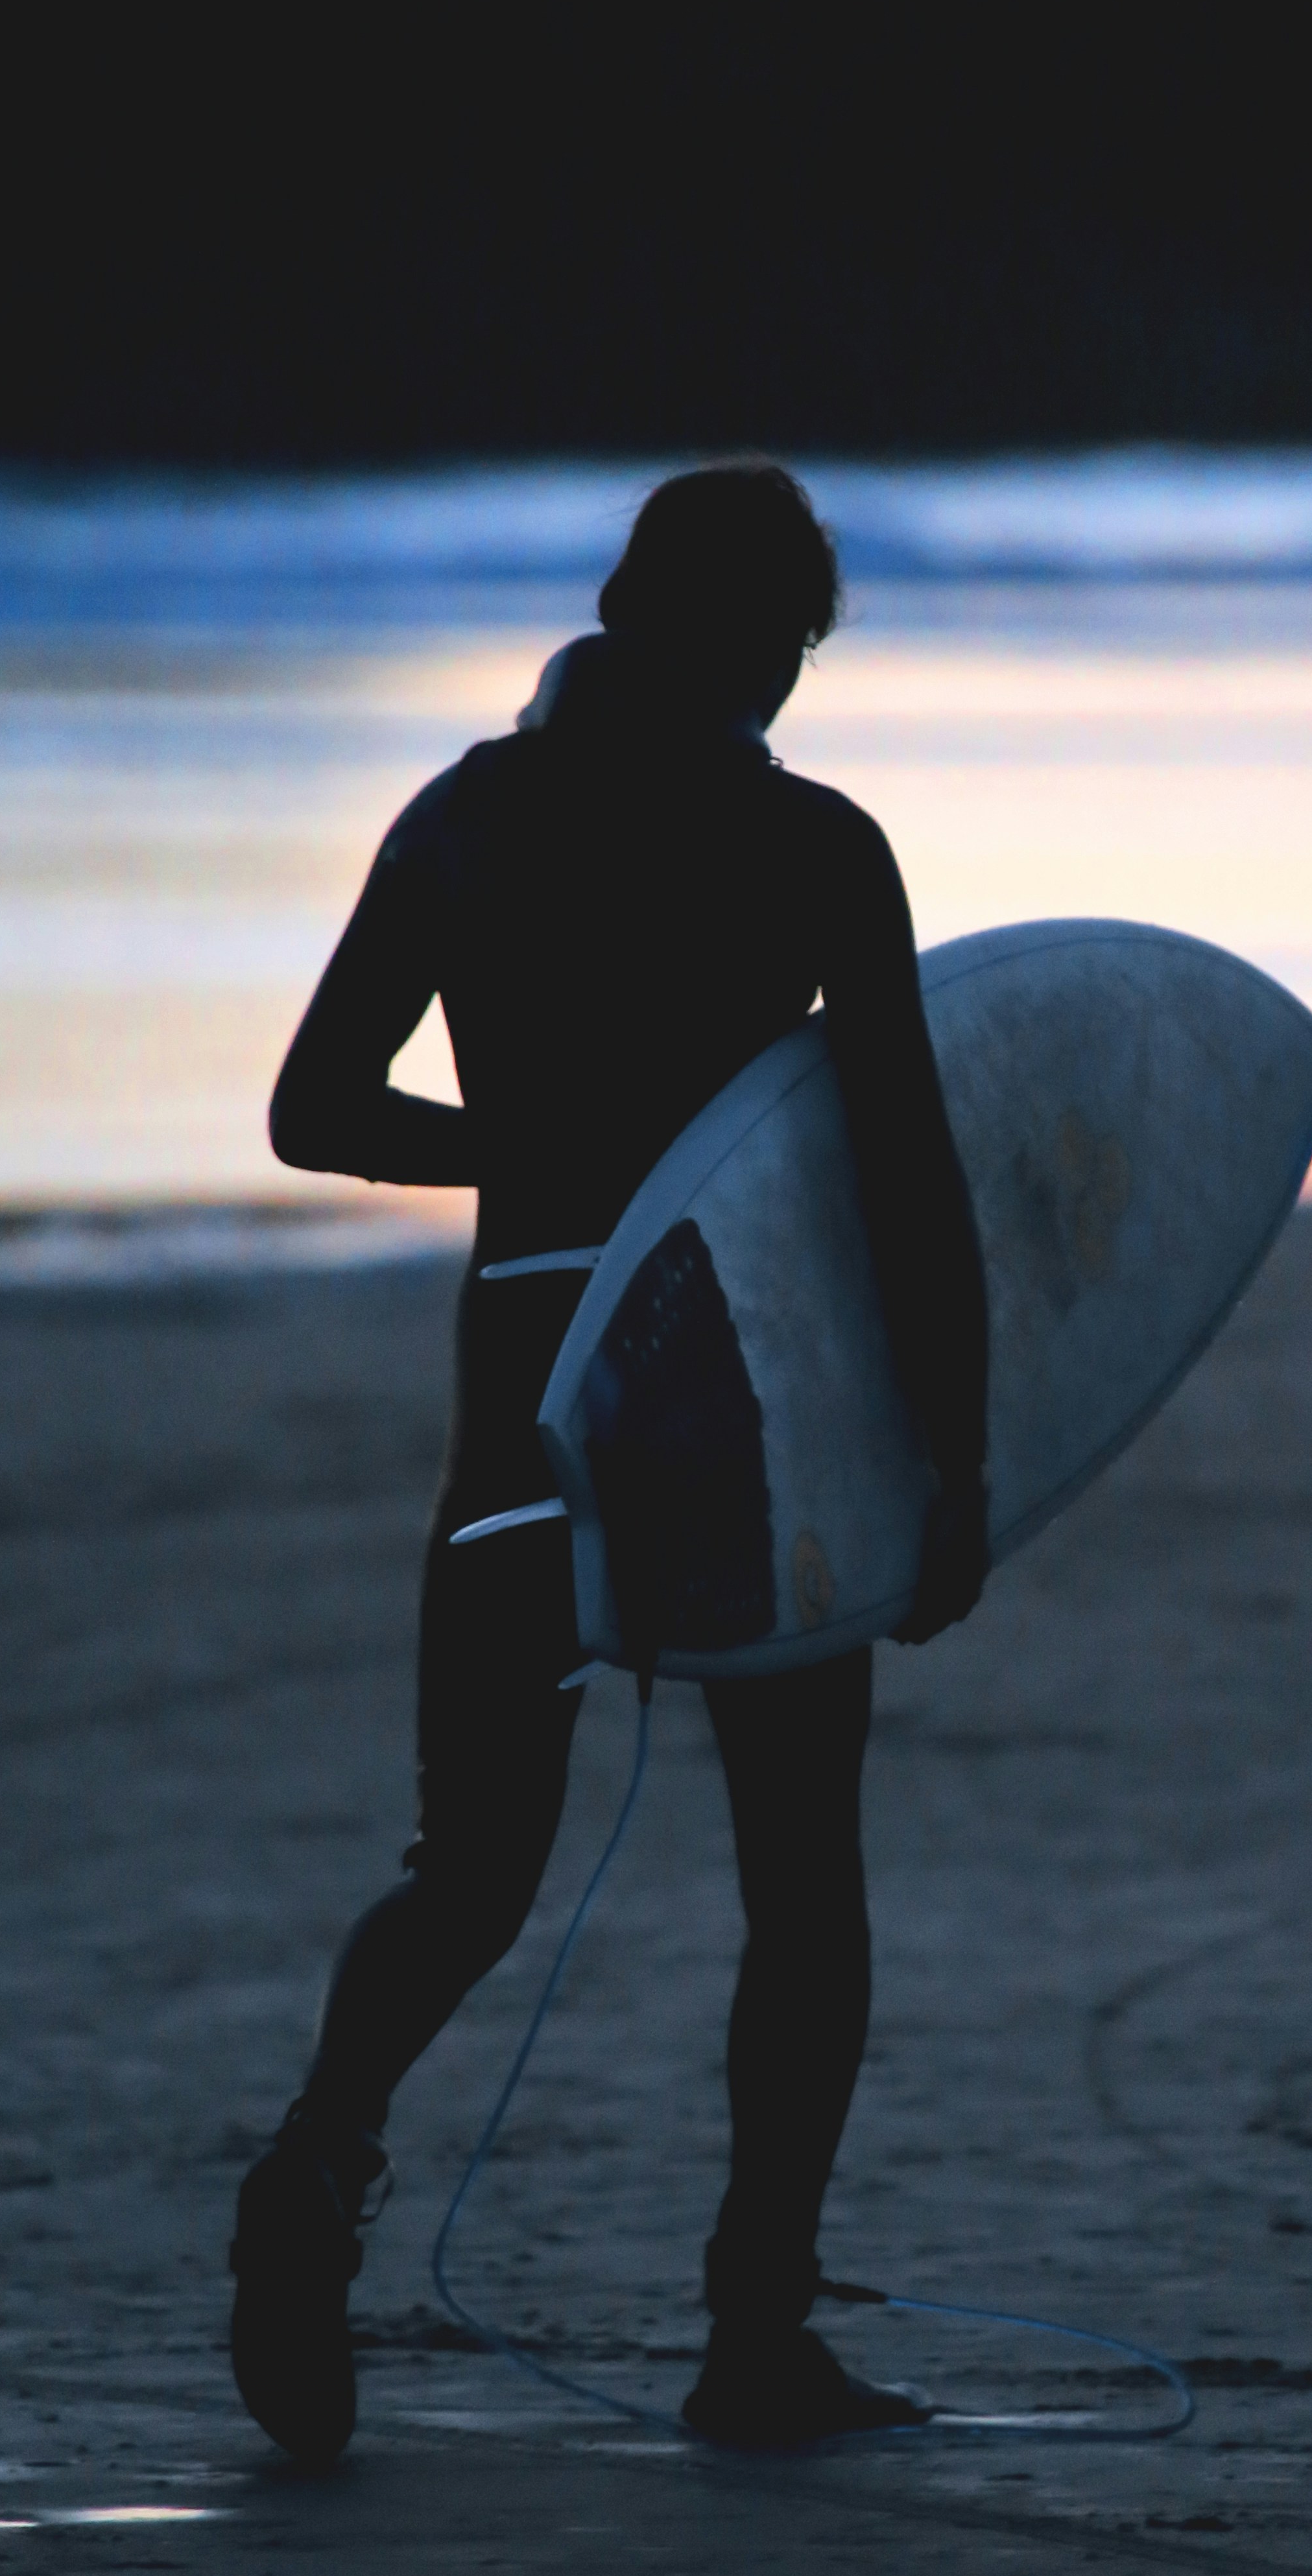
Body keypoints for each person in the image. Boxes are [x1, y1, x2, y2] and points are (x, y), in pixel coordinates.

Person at [230, 463, 990, 2467]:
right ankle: (752, 2338)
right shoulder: (813, 846)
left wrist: (531, 1154)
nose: (787, 692)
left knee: (470, 1868)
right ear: (750, 642)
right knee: (801, 1886)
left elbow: (314, 1110)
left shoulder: (463, 817)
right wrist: (963, 1446)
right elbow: (904, 1167)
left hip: (523, 1404)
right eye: (788, 652)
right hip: (750, 1409)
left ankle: (314, 2169)